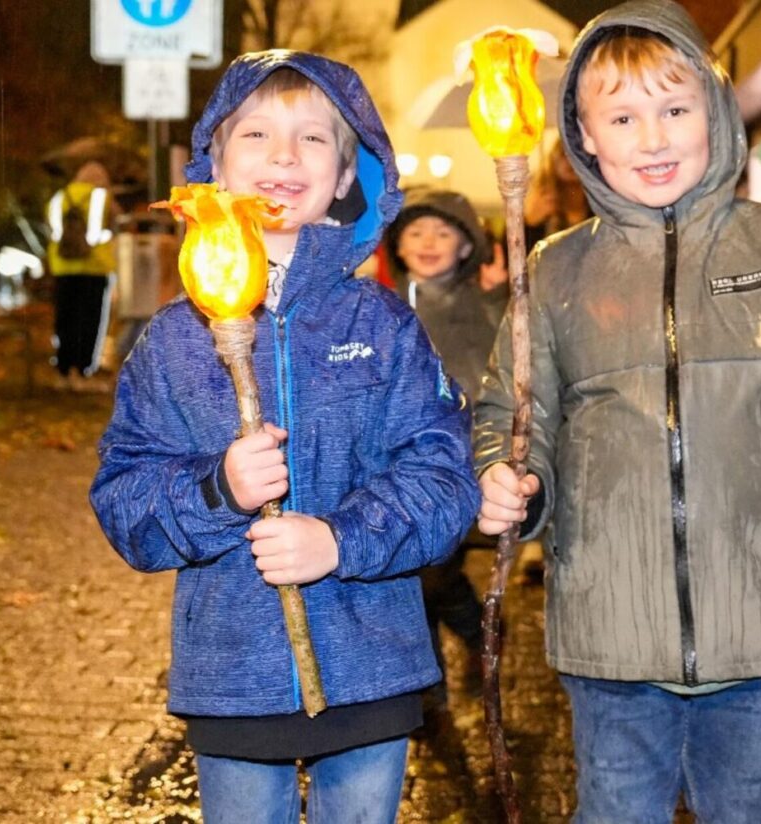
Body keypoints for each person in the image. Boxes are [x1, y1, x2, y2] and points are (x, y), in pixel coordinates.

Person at [473, 3, 761, 819]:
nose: (653, 138)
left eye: (675, 109)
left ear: (716, 110)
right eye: (623, 118)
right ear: (585, 137)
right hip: (611, 636)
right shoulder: (556, 272)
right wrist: (510, 478)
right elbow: (513, 411)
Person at [89, 52, 479, 824]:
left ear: (346, 175)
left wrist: (341, 540)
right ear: (214, 167)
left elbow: (442, 477)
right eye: (257, 134)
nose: (284, 156)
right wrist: (218, 491)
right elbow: (125, 501)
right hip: (233, 675)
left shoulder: (383, 324)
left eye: (313, 138)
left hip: (371, 665)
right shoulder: (173, 341)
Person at [386, 187, 502, 714]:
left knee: (431, 572)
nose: (428, 243)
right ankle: (436, 682)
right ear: (397, 245)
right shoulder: (383, 305)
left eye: (442, 232)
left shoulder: (484, 302)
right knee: (419, 576)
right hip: (399, 465)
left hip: (462, 461)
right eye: (415, 232)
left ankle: (469, 646)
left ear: (466, 245)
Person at [46, 160, 118, 391]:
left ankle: (63, 370)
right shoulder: (100, 197)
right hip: (93, 267)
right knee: (89, 320)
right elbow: (108, 227)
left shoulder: (59, 197)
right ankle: (83, 370)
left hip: (62, 266)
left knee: (65, 319)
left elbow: (53, 230)